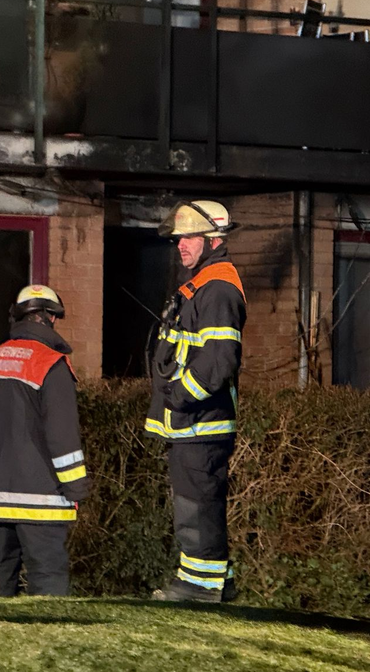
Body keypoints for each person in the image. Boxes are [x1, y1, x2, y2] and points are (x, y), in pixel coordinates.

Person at [146, 200, 246, 603]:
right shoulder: (204, 284)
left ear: (213, 240)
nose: (181, 245)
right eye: (179, 238)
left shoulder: (218, 288)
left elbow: (219, 361)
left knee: (197, 504)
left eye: (189, 237)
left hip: (200, 420)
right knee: (196, 501)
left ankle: (200, 585)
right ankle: (217, 580)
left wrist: (179, 397)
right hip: (193, 420)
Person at [0, 284, 88, 596]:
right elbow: (62, 435)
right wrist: (76, 488)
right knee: (48, 579)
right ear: (51, 318)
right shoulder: (51, 363)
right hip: (42, 500)